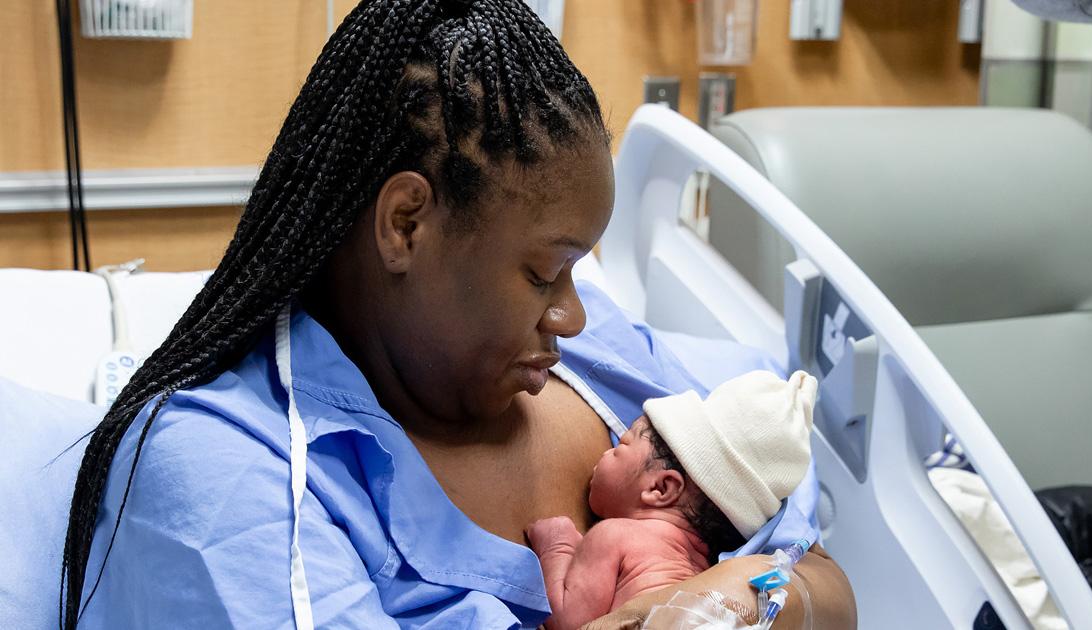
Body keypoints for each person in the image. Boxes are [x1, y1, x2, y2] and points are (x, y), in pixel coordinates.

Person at [59, 0, 856, 628]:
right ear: (406, 223)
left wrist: (729, 603)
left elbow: (822, 579)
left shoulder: (602, 364)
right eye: (546, 273)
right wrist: (735, 587)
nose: (576, 315)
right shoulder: (229, 471)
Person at [527, 371, 817, 630]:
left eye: (623, 446)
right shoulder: (706, 572)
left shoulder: (614, 536)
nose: (606, 452)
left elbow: (568, 620)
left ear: (662, 488)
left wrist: (557, 546)